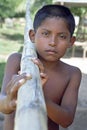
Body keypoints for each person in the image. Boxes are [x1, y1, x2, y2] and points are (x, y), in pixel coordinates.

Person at [0, 4, 81, 130]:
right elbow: (3, 103)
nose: (53, 42)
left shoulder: (72, 74)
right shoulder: (17, 61)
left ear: (71, 41)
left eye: (62, 36)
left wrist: (39, 93)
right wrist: (10, 101)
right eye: (46, 34)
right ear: (32, 35)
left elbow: (67, 120)